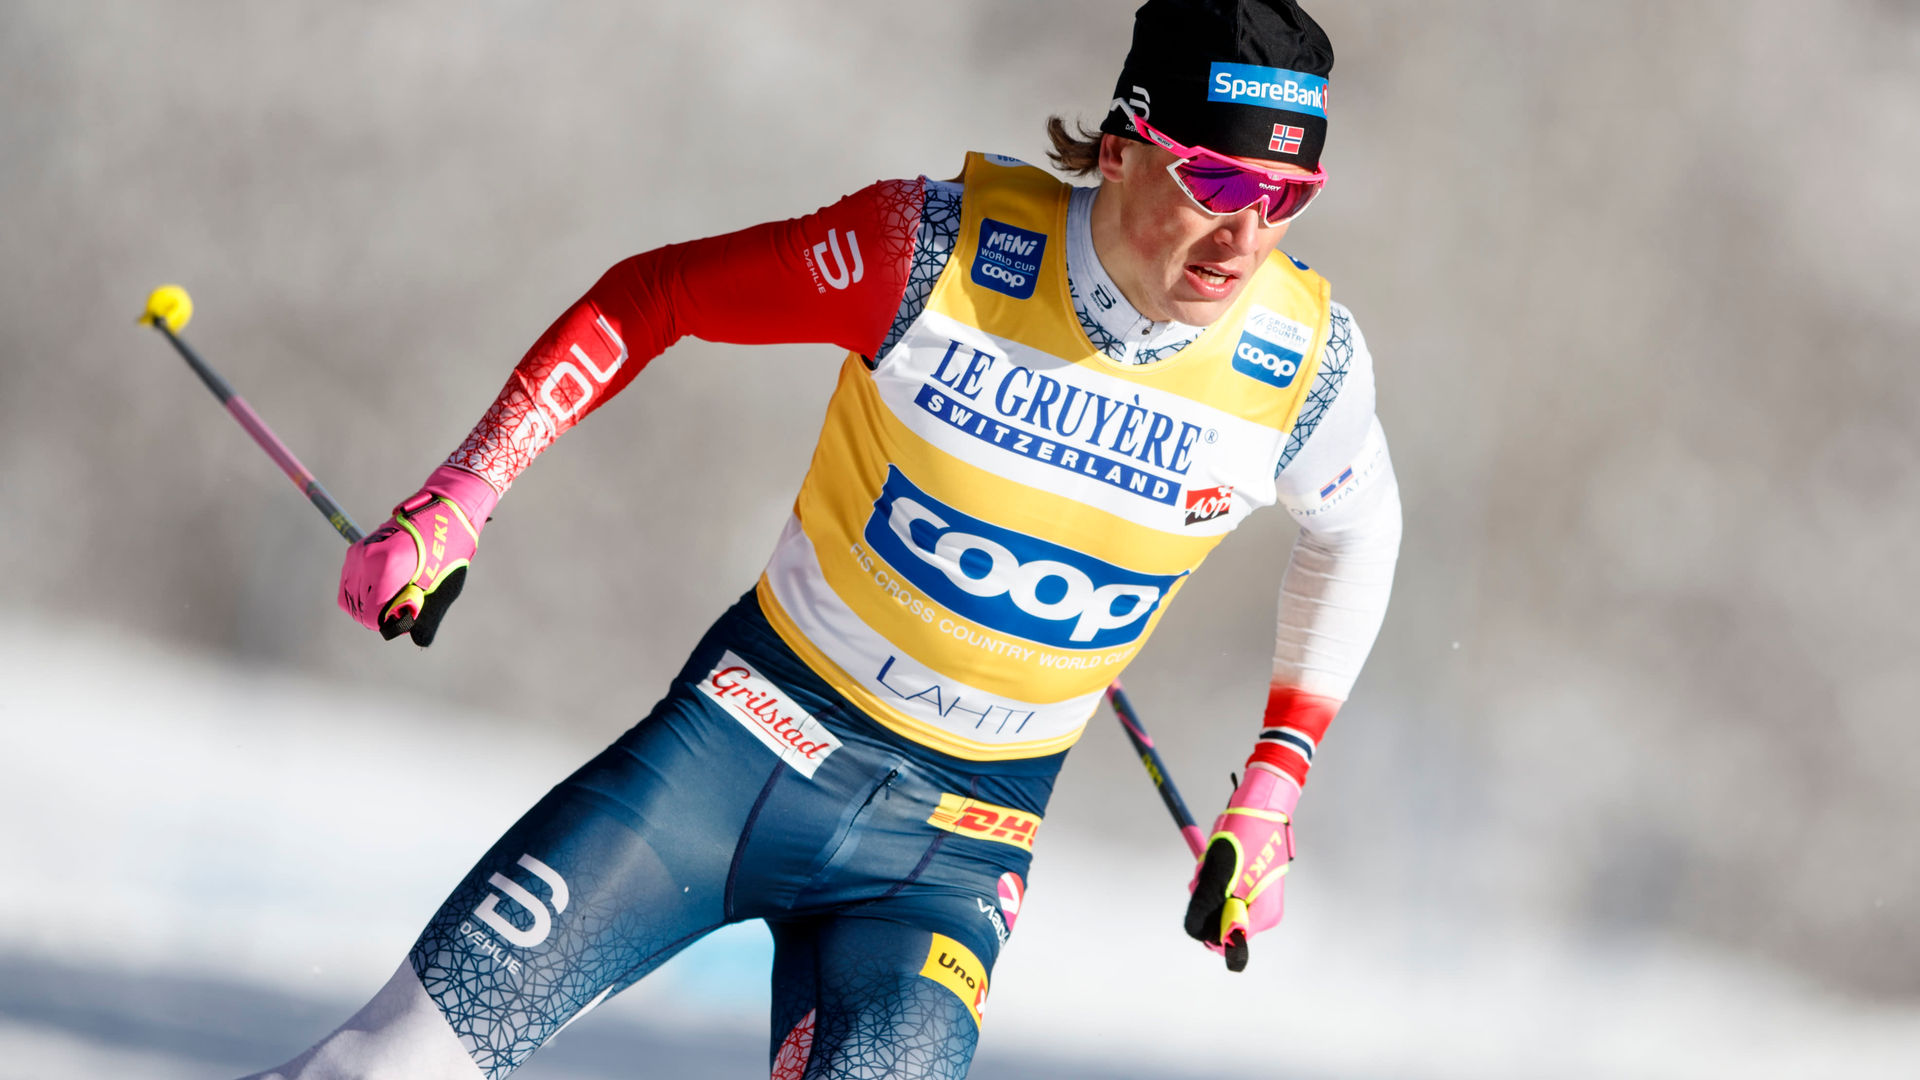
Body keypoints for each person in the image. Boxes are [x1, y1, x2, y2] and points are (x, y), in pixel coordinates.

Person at [251, 1, 1400, 1076]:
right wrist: (464, 492)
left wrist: (1274, 784)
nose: (1245, 235)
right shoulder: (933, 249)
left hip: (955, 851)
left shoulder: (1306, 365)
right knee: (381, 1066)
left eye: (1287, 197)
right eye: (1215, 180)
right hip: (736, 752)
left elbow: (1357, 531)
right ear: (1120, 148)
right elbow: (654, 296)